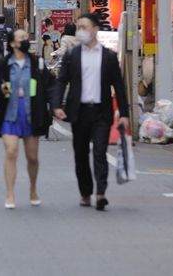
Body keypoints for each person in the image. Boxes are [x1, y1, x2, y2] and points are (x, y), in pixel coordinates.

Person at [52, 13, 129, 211]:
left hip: (101, 112)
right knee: (81, 154)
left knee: (100, 151)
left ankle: (101, 192)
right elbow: (61, 81)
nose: (81, 31)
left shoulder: (109, 57)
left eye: (85, 27)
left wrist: (125, 115)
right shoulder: (72, 55)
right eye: (79, 28)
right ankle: (86, 192)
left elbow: (119, 87)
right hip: (79, 111)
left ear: (95, 30)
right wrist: (57, 106)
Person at [0, 29, 55, 209]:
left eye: (27, 37)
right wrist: (0, 89)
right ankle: (10, 194)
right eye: (22, 38)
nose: (26, 40)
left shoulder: (37, 63)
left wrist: (56, 107)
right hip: (9, 114)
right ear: (13, 43)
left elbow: (50, 87)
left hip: (33, 114)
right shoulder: (3, 65)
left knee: (32, 156)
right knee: (11, 152)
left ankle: (33, 188)